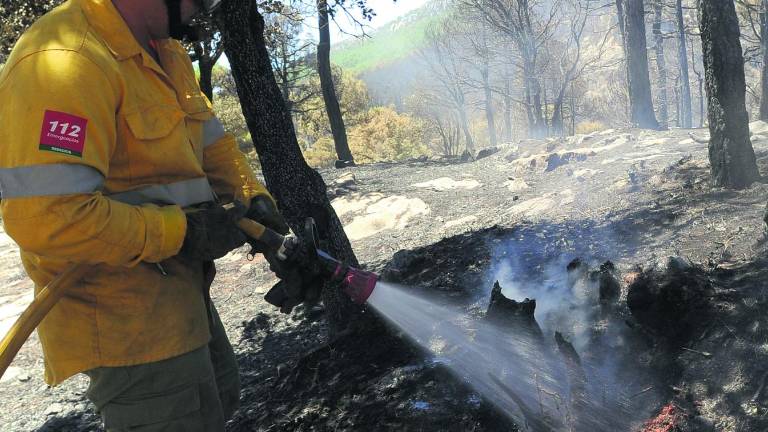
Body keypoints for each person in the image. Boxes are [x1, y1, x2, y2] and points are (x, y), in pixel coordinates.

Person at [0, 0, 289, 429]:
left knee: (219, 403)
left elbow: (213, 146)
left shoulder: (162, 49)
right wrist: (184, 233)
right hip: (126, 324)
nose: (206, 8)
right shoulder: (66, 61)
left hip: (181, 298)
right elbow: (49, 217)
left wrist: (257, 205)